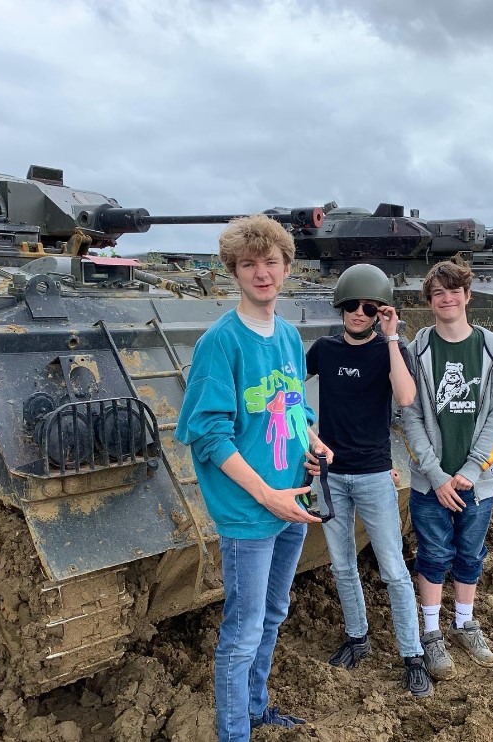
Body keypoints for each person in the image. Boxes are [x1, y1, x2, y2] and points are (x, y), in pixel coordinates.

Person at [176, 214, 333, 742]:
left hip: (292, 497)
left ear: (286, 268)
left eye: (271, 262)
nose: (262, 274)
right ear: (234, 272)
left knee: (272, 612)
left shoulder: (288, 335)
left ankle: (259, 709)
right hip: (251, 509)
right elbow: (208, 433)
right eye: (249, 265)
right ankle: (234, 732)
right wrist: (266, 494)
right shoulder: (221, 343)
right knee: (241, 632)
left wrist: (310, 438)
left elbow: (291, 402)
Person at [305, 263, 432, 698]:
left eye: (370, 307)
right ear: (341, 306)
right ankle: (357, 639)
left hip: (375, 474)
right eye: (353, 305)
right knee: (342, 565)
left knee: (394, 571)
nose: (360, 314)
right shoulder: (323, 349)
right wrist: (305, 435)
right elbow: (285, 389)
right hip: (329, 475)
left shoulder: (387, 351)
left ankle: (412, 655)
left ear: (380, 311)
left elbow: (405, 396)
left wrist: (393, 336)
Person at [402, 260, 493, 683]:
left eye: (454, 291)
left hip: (478, 480)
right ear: (430, 302)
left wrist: (468, 471)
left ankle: (464, 623)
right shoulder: (418, 351)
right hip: (432, 479)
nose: (446, 299)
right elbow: (409, 414)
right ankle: (430, 634)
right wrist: (436, 474)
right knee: (433, 554)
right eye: (437, 293)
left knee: (469, 554)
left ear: (467, 296)